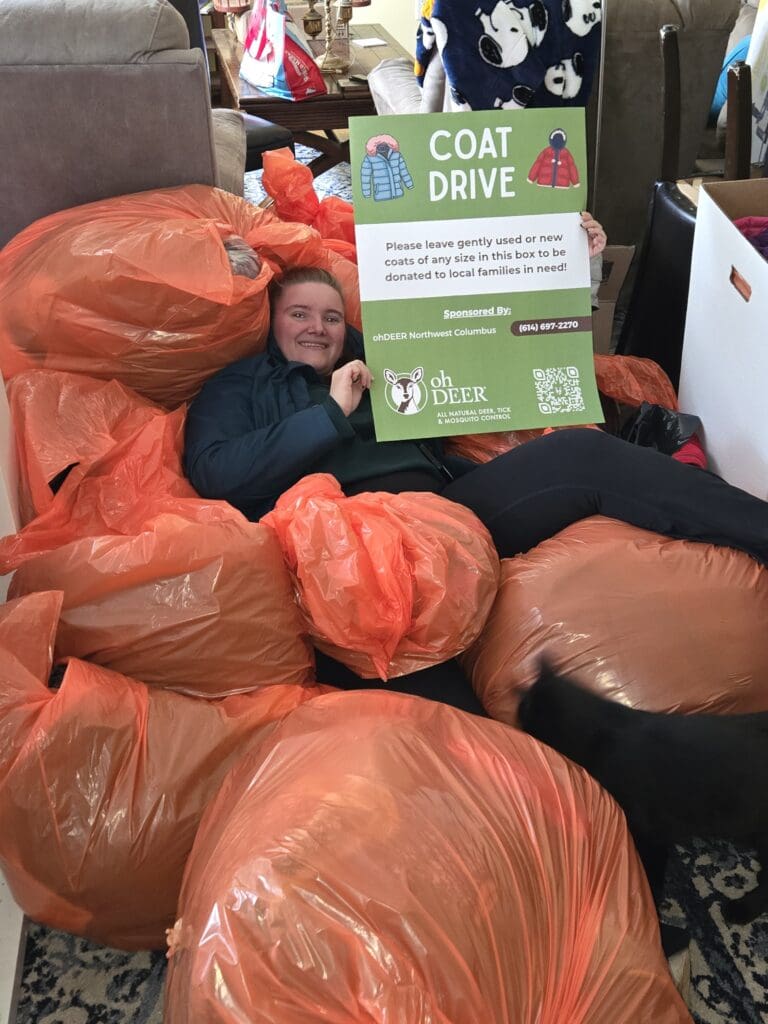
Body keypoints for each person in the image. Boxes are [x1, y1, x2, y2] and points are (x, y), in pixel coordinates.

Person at [184, 216, 768, 711]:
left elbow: (486, 322)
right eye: (300, 315)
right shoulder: (239, 386)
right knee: (443, 710)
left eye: (332, 318)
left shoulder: (385, 355)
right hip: (347, 562)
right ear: (271, 323)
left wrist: (564, 254)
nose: (318, 328)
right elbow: (215, 473)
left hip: (445, 513)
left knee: (580, 452)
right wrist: (330, 413)